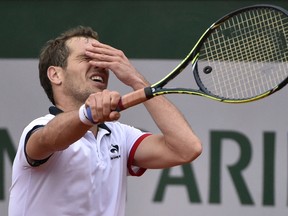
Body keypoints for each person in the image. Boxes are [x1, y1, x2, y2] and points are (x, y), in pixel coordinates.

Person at [8, 26, 202, 216]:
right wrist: (86, 115)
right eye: (87, 58)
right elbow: (48, 138)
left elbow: (187, 148)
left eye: (103, 59)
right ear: (55, 74)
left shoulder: (121, 135)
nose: (100, 65)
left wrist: (136, 80)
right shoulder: (38, 128)